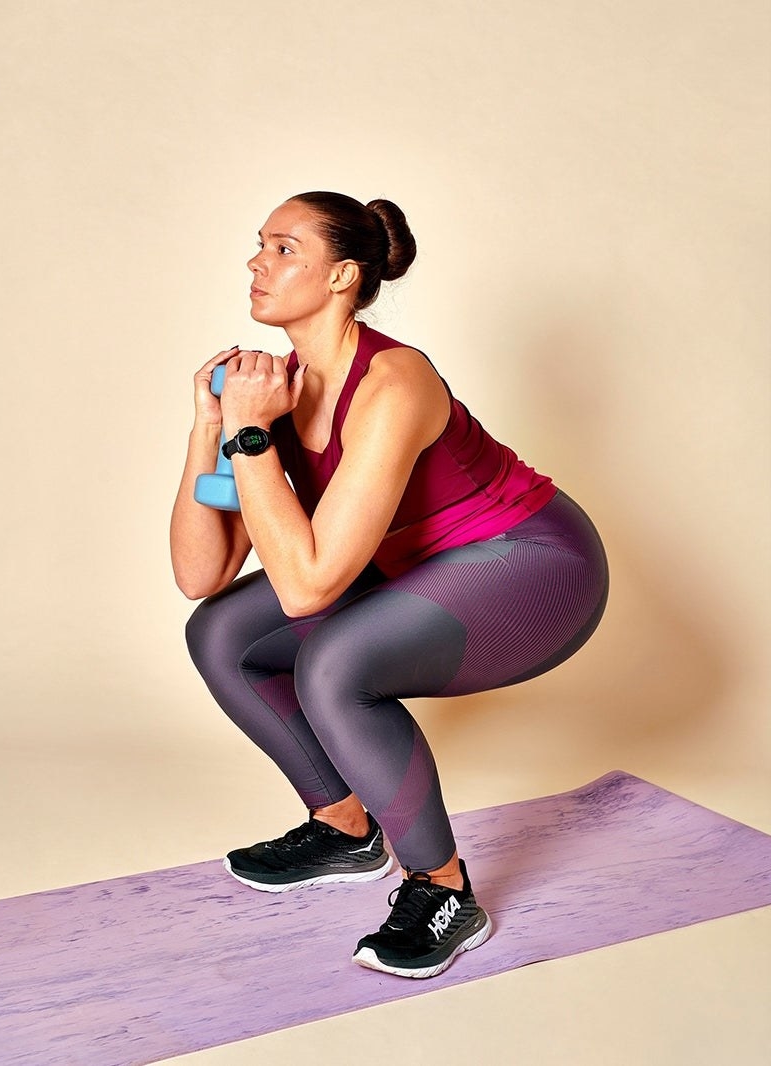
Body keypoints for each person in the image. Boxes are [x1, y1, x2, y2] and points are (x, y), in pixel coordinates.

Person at [172, 191, 608, 979]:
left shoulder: (393, 383)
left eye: (282, 249)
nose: (255, 263)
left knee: (334, 664)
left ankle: (443, 889)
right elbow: (200, 574)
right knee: (221, 634)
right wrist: (212, 430)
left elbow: (307, 591)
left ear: (342, 275)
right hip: (421, 563)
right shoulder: (278, 388)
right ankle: (345, 829)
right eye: (259, 246)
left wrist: (248, 434)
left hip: (534, 563)